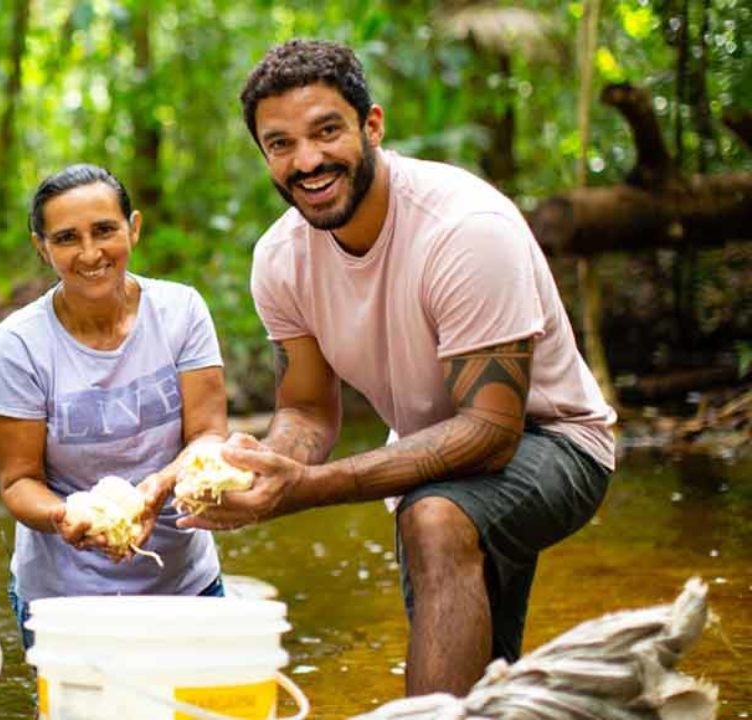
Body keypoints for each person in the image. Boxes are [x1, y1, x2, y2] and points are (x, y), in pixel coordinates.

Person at [175, 40, 616, 697]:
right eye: (281, 144)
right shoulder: (280, 258)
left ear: (371, 125)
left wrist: (308, 488)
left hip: (556, 443)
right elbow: (308, 409)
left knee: (434, 517)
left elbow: (493, 434)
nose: (308, 161)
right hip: (431, 451)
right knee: (485, 681)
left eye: (327, 131)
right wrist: (268, 464)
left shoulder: (464, 228)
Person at [0, 164, 229, 651]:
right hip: (64, 603)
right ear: (41, 247)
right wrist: (64, 516)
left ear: (133, 227)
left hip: (186, 583)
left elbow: (208, 436)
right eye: (67, 238)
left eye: (105, 231)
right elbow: (19, 482)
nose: (90, 253)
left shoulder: (181, 312)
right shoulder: (16, 347)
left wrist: (157, 488)